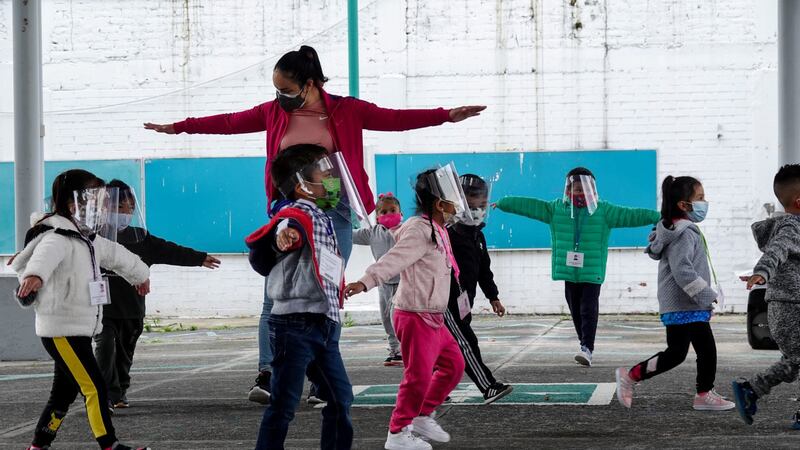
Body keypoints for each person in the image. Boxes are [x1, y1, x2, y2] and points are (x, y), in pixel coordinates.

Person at [144, 45, 486, 403]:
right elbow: (229, 122)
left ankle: (322, 380)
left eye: (287, 90)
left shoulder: (347, 109)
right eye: (276, 90)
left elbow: (394, 118)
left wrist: (446, 115)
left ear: (310, 84)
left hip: (335, 207)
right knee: (274, 292)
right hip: (289, 207)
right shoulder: (273, 111)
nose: (280, 97)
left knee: (328, 293)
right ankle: (268, 374)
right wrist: (179, 128)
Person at [11, 169, 151, 450]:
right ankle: (109, 445)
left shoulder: (86, 239)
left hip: (77, 328)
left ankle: (38, 445)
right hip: (61, 329)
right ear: (73, 203)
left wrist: (140, 274)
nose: (100, 207)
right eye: (93, 199)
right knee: (95, 387)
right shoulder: (58, 236)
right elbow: (41, 259)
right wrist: (34, 276)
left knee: (63, 394)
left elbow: (118, 255)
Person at [346, 165, 468, 450]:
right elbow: (394, 259)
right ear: (439, 203)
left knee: (453, 366)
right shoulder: (418, 229)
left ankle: (423, 413)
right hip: (413, 315)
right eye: (452, 197)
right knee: (418, 375)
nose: (457, 204)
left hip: (434, 316)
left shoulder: (438, 228)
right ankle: (397, 433)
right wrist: (366, 282)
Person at [495, 167, 660, 366]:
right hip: (569, 272)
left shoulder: (604, 211)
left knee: (587, 308)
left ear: (593, 190)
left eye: (584, 189)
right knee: (575, 309)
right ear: (567, 190)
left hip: (591, 272)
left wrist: (657, 216)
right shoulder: (555, 209)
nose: (580, 193)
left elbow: (632, 215)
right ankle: (584, 343)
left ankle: (587, 348)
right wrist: (504, 204)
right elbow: (530, 206)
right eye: (576, 189)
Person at [246, 144, 353, 449]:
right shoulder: (296, 212)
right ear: (301, 184)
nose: (331, 178)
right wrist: (283, 239)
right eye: (324, 172)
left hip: (323, 323)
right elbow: (286, 227)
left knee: (340, 397)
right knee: (284, 403)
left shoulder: (321, 215)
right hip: (295, 325)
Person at [93, 179, 221, 411]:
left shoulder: (139, 237)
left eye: (129, 208)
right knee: (105, 346)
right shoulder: (93, 237)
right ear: (103, 209)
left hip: (132, 308)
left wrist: (199, 258)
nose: (125, 213)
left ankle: (120, 390)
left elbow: (169, 250)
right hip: (103, 308)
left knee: (124, 353)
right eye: (119, 208)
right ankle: (106, 395)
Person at [614, 176, 734, 411]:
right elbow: (682, 271)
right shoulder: (684, 232)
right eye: (700, 198)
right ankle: (699, 393)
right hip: (686, 304)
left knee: (689, 351)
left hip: (681, 305)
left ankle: (636, 377)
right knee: (692, 351)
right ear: (683, 204)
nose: (704, 202)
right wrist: (707, 295)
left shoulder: (675, 229)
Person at [733, 164, 800, 428]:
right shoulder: (792, 228)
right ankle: (752, 389)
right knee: (795, 360)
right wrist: (762, 272)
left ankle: (753, 390)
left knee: (794, 362)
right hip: (790, 306)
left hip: (789, 304)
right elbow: (776, 251)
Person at [444, 174, 512, 403]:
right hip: (445, 303)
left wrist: (493, 297)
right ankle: (487, 385)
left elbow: (484, 270)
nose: (479, 205)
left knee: (440, 351)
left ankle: (431, 390)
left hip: (464, 302)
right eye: (473, 200)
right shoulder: (448, 234)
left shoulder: (477, 235)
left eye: (483, 201)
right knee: (466, 343)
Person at [353, 192, 404, 366]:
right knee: (385, 317)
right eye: (383, 212)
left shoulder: (406, 231)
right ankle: (395, 350)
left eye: (393, 210)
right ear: (376, 216)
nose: (388, 214)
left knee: (395, 316)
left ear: (401, 213)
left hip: (403, 282)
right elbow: (350, 235)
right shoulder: (372, 233)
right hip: (382, 283)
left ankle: (405, 349)